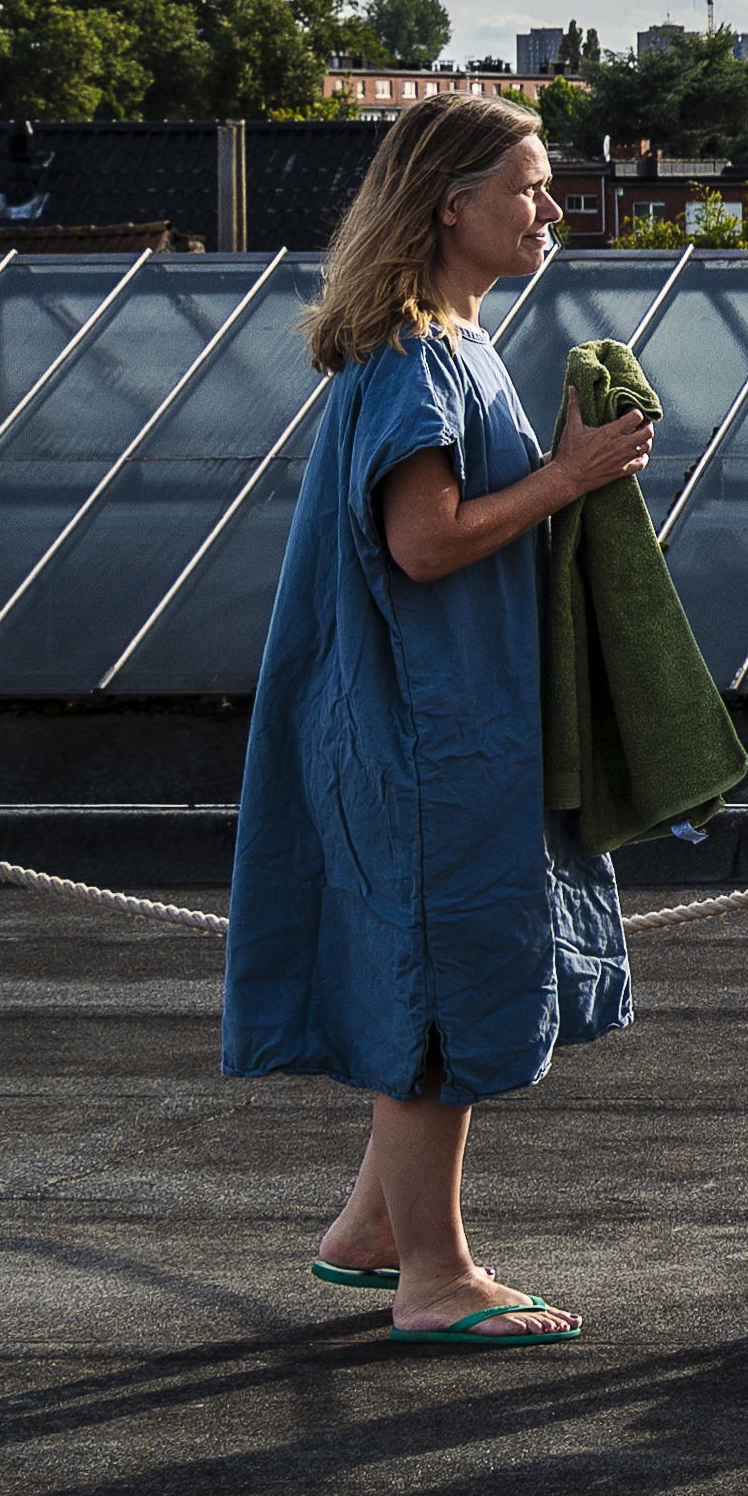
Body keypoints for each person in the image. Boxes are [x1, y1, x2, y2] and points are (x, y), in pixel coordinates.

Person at [224, 93, 659, 1346]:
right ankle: (435, 1278)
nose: (550, 208)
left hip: (442, 719)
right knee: (432, 998)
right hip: (424, 732)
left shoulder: (443, 340)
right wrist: (568, 476)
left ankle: (371, 1232)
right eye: (526, 186)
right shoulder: (419, 352)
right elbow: (423, 546)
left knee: (436, 970)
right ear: (447, 203)